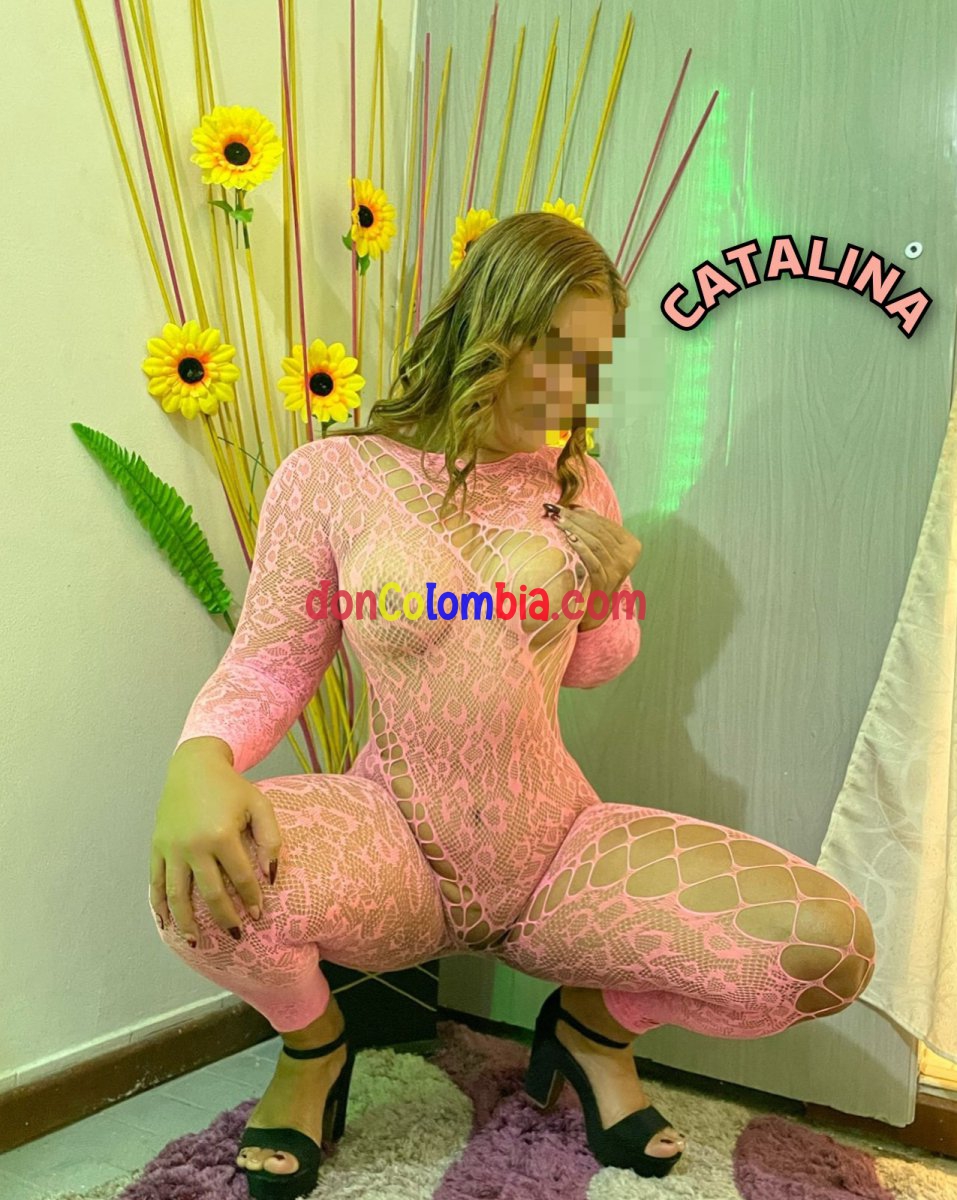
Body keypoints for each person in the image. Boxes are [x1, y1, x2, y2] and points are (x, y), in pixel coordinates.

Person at [149, 212, 877, 1195]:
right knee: (198, 892)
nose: (576, 390)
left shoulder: (578, 482)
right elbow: (270, 664)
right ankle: (315, 1047)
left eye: (593, 362)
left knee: (824, 953)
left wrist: (607, 594)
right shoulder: (330, 477)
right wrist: (200, 758)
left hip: (552, 845)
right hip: (392, 837)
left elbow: (593, 666)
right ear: (486, 332)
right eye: (555, 354)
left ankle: (592, 1028)